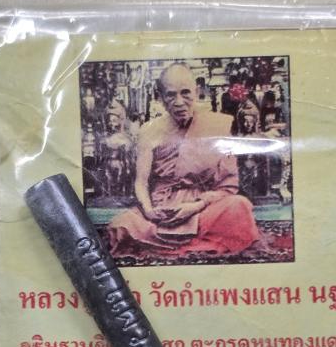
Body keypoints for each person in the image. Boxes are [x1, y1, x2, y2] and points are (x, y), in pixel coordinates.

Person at [108, 62, 259, 257]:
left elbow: (228, 186)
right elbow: (141, 182)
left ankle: (181, 243)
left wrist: (194, 206)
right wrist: (148, 210)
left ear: (197, 92)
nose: (179, 102)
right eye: (171, 95)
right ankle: (199, 243)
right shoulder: (149, 131)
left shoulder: (217, 125)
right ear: (161, 97)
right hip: (161, 211)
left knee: (239, 206)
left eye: (185, 93)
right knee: (119, 226)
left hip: (201, 209)